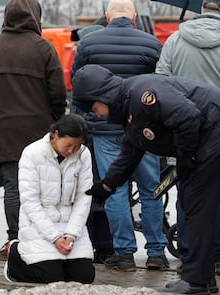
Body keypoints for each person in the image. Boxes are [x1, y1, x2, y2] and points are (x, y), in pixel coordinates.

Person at [71, 64, 220, 295]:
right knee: (191, 202)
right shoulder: (130, 107)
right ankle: (202, 277)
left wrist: (185, 158)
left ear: (101, 95)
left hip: (219, 128)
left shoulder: (142, 95)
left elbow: (188, 116)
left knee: (196, 205)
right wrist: (107, 185)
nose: (97, 114)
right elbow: (131, 152)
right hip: (214, 130)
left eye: (94, 107)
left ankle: (197, 280)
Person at [155, 0, 220, 275]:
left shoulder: (175, 39)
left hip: (185, 130)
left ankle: (189, 252)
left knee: (187, 192)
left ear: (202, 10)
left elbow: (161, 79)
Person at [70, 0, 168, 271]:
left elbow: (78, 85)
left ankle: (124, 252)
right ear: (134, 17)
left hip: (106, 130)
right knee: (151, 190)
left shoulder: (89, 44)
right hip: (144, 129)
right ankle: (156, 252)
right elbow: (163, 84)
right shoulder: (151, 44)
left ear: (107, 16)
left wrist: (88, 117)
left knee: (115, 191)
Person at [0, 0, 67, 256]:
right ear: (35, 16)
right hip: (40, 131)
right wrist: (53, 121)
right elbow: (58, 93)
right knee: (41, 190)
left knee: (13, 189)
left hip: (7, 130)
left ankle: (14, 239)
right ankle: (40, 239)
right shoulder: (44, 48)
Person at [4, 114, 95, 284]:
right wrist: (55, 237)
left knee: (84, 277)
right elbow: (30, 201)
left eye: (76, 146)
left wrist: (71, 234)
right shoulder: (32, 153)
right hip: (39, 222)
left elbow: (84, 197)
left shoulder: (83, 154)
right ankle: (14, 253)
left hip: (69, 222)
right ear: (56, 134)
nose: (71, 151)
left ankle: (62, 260)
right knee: (51, 277)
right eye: (68, 145)